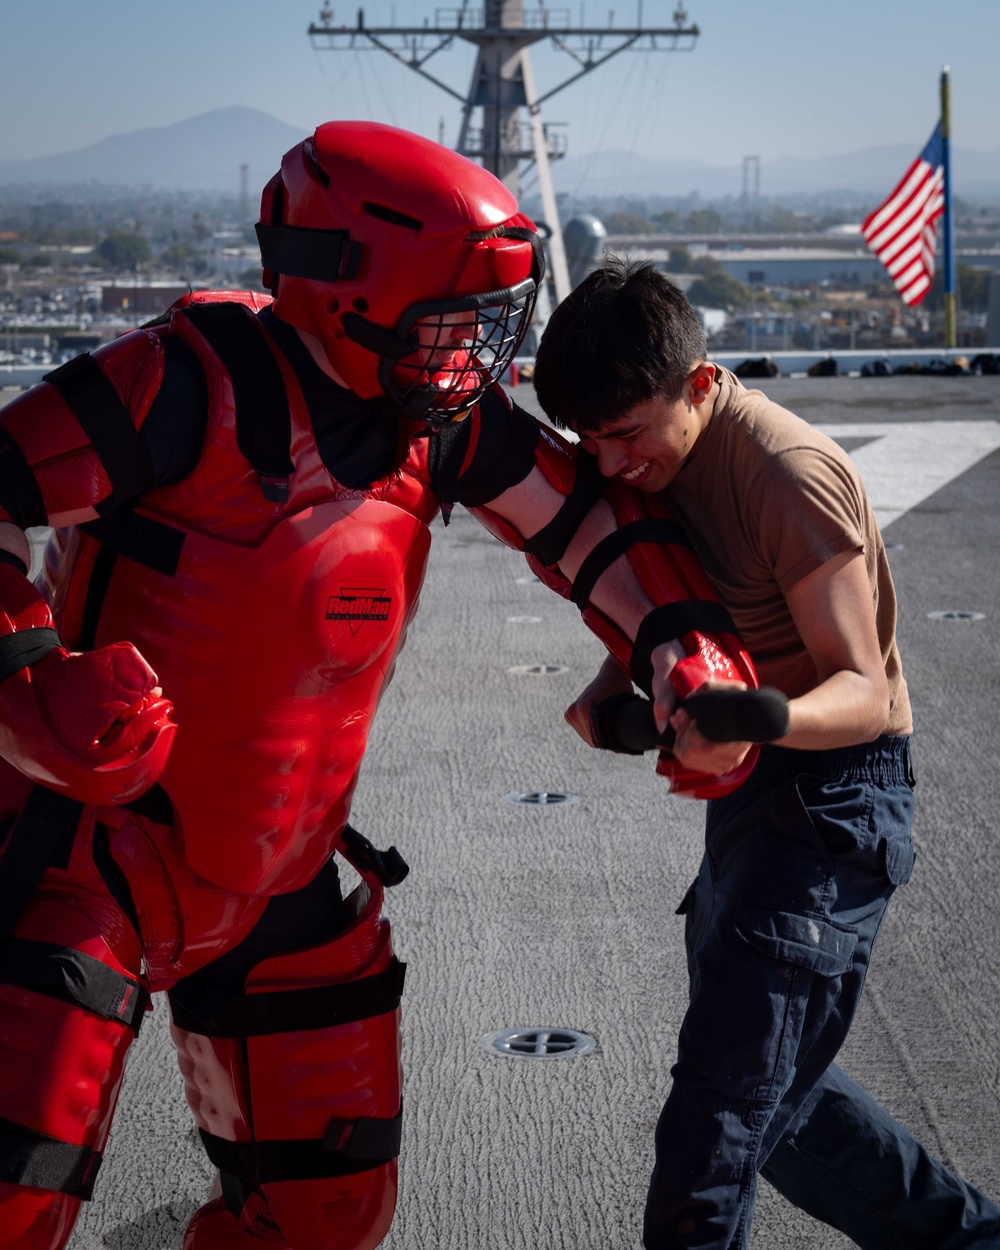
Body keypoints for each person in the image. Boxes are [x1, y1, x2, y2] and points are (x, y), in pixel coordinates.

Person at [0, 126, 759, 1250]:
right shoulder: (181, 383)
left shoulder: (434, 421)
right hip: (90, 865)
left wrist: (686, 651)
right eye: (451, 319)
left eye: (487, 321)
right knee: (15, 1206)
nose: (474, 353)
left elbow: (585, 525)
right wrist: (28, 684)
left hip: (283, 871)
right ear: (350, 292)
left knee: (327, 1216)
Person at [532, 256, 1000, 1250]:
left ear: (699, 385)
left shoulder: (785, 474)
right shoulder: (653, 465)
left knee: (718, 1123)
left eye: (624, 433)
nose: (606, 463)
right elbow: (671, 606)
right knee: (781, 1108)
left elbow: (864, 692)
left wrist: (744, 718)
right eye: (586, 439)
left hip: (838, 799)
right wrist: (618, 688)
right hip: (753, 796)